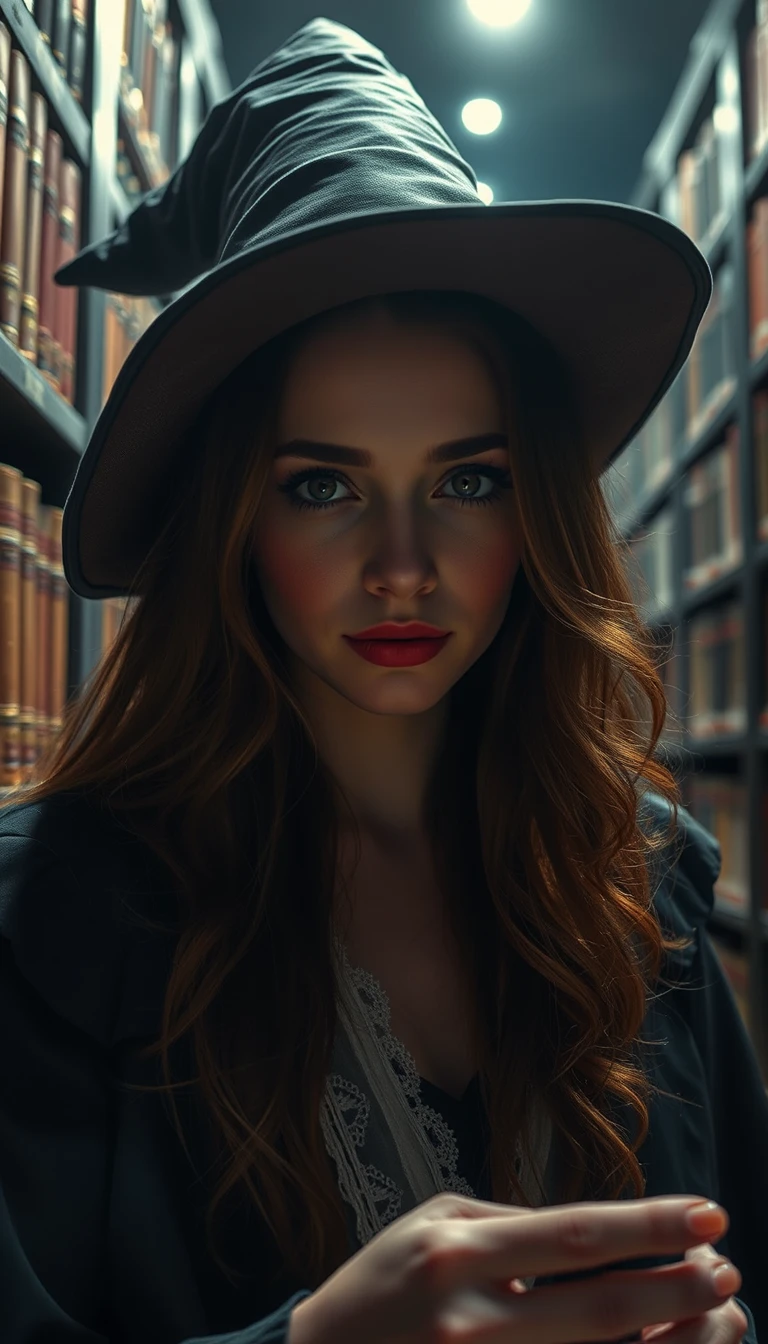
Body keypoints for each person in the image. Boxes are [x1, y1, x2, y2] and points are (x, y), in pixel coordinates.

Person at [0, 15, 766, 1344]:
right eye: (322, 486)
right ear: (231, 517)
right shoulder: (53, 917)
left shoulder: (646, 879)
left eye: (468, 481)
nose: (404, 568)